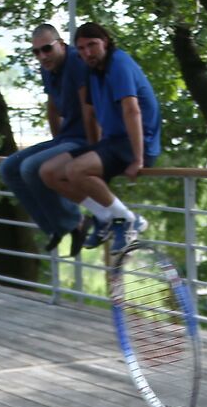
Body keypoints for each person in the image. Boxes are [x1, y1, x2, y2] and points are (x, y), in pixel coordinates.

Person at [40, 21, 161, 253]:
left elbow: (131, 110)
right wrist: (93, 150)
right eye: (82, 48)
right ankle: (107, 217)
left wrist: (138, 159)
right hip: (112, 142)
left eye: (92, 45)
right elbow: (91, 113)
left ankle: (127, 220)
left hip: (138, 142)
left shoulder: (119, 64)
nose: (87, 52)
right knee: (49, 172)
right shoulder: (91, 69)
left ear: (105, 42)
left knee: (76, 170)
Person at [0, 24, 89, 254]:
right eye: (36, 52)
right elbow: (52, 108)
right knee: (8, 168)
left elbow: (91, 109)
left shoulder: (77, 63)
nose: (42, 56)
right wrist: (57, 143)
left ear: (61, 44)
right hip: (66, 137)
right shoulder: (47, 69)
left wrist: (94, 147)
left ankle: (76, 222)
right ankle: (55, 227)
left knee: (31, 167)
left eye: (47, 49)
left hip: (87, 138)